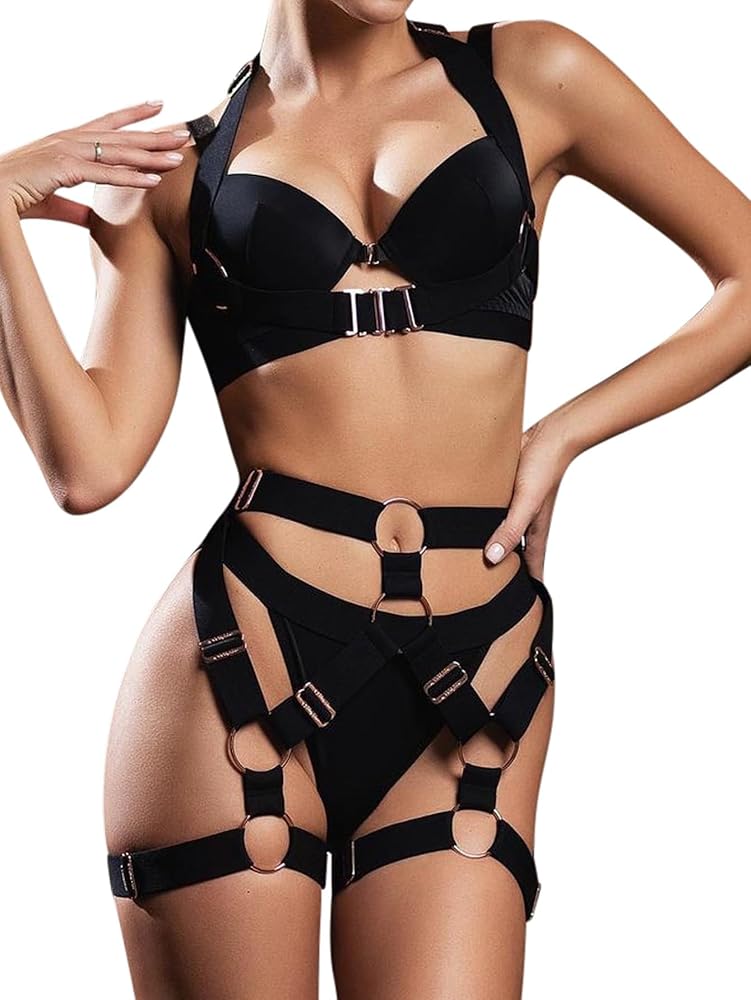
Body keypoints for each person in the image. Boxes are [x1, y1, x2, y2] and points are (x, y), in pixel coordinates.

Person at [1, 3, 749, 998]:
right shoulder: (174, 173)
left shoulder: (532, 74)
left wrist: (562, 435)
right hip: (243, 666)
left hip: (476, 667)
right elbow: (87, 467)